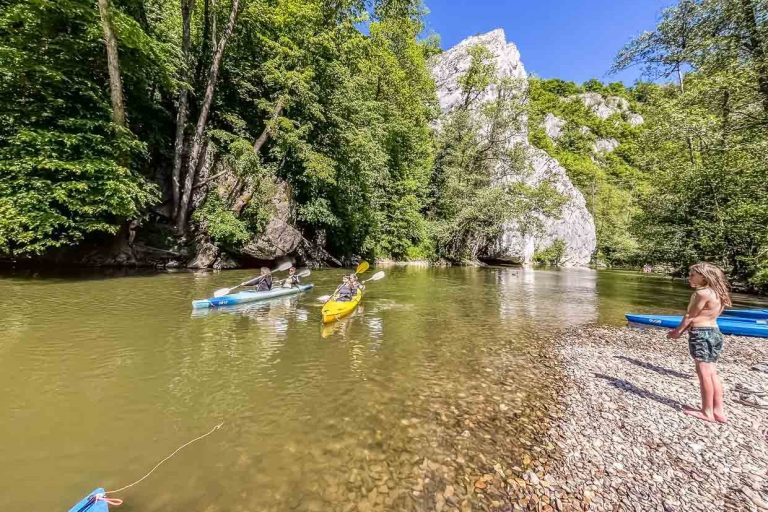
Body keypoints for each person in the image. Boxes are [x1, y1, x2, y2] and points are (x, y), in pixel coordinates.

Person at [667, 262, 732, 423]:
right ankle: (718, 411)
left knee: (703, 373)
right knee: (712, 372)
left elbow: (690, 316)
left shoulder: (702, 293)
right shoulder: (719, 292)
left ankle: (707, 412)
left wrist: (677, 332)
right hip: (715, 333)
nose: (689, 277)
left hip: (701, 334)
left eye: (692, 275)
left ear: (704, 277)